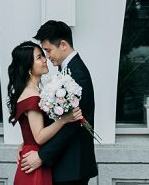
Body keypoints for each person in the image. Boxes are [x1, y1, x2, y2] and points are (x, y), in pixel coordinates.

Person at [20, 19, 98, 185]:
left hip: (72, 166)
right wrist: (29, 141)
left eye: (48, 51)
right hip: (66, 165)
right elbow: (59, 118)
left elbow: (73, 124)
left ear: (63, 45)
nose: (47, 57)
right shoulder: (67, 70)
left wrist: (42, 156)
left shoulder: (78, 74)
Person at [7, 40, 83, 185]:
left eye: (43, 55)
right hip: (34, 162)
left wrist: (25, 142)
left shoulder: (38, 92)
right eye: (39, 57)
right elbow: (40, 137)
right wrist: (64, 120)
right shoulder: (32, 96)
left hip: (35, 156)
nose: (45, 60)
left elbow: (31, 131)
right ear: (28, 67)